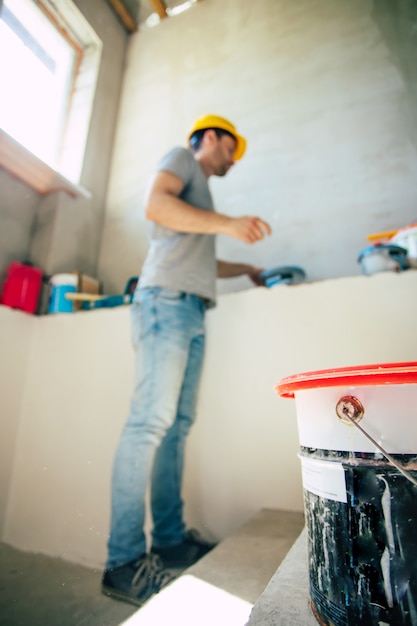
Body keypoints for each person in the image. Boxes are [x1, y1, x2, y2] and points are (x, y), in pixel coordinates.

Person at [102, 114, 272, 607]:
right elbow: (156, 206)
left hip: (191, 308)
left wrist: (246, 268)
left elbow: (202, 258)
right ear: (210, 137)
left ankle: (171, 543)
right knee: (150, 423)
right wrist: (229, 224)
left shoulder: (202, 201)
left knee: (176, 426)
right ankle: (124, 561)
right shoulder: (182, 161)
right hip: (166, 302)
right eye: (230, 149)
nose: (232, 160)